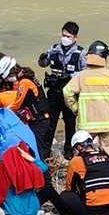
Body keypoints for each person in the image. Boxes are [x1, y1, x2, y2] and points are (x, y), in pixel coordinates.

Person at [65, 41, 109, 163]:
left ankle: (83, 178)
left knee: (83, 154)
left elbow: (67, 92)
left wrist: (75, 109)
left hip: (87, 124)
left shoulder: (81, 76)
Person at [56, 131, 109, 215]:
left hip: (93, 210)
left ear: (78, 147)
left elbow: (69, 187)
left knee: (64, 196)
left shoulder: (77, 161)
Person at [39, 21, 86, 159]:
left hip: (70, 93)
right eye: (63, 34)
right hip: (54, 92)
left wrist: (70, 76)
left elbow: (85, 73)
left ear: (75, 37)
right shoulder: (54, 49)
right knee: (50, 121)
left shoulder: (80, 53)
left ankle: (69, 150)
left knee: (70, 122)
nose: (64, 38)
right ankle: (45, 149)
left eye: (68, 35)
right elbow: (43, 64)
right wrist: (42, 59)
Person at [0, 57, 52, 160]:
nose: (8, 80)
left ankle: (43, 173)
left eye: (7, 77)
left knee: (37, 151)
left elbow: (17, 103)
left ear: (12, 72)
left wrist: (4, 112)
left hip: (39, 121)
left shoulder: (24, 82)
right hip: (41, 118)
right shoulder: (28, 77)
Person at [0, 141, 47, 215]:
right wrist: (31, 159)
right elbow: (44, 168)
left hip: (12, 212)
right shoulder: (29, 168)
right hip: (33, 212)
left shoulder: (3, 167)